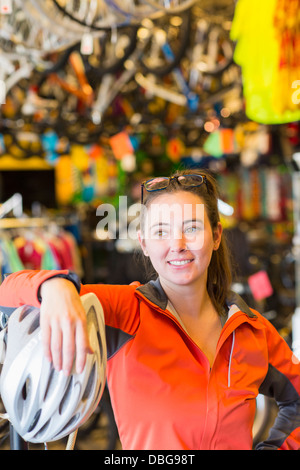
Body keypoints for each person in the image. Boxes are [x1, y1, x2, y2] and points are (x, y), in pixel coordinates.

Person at [0, 168, 300, 450]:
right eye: (160, 231)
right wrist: (53, 287)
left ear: (217, 236)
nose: (178, 244)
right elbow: (7, 294)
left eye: (191, 228)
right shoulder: (123, 311)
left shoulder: (252, 329)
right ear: (143, 243)